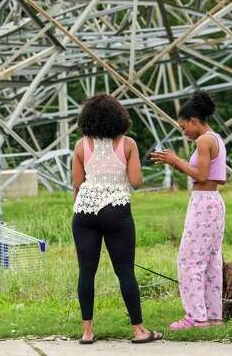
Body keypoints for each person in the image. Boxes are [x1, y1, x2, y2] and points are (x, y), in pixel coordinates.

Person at [71, 93, 162, 345]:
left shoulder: (81, 146)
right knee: (125, 272)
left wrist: (79, 207)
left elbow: (77, 184)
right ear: (118, 117)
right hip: (116, 209)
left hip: (84, 211)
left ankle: (87, 332)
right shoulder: (128, 144)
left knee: (86, 272)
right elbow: (135, 182)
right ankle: (139, 331)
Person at [148, 91, 226, 330]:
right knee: (211, 260)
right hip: (214, 201)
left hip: (203, 202)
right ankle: (213, 316)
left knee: (189, 261)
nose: (184, 132)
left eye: (184, 127)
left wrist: (175, 161)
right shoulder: (216, 138)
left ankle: (195, 317)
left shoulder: (203, 141)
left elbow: (201, 175)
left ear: (194, 120)